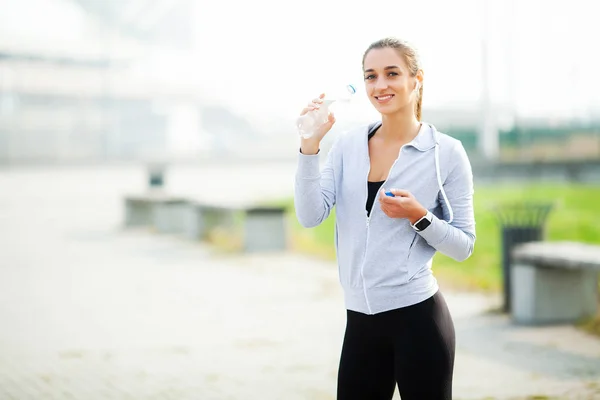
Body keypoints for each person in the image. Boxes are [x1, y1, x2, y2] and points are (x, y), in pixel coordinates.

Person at [293, 37, 476, 400]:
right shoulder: (347, 145)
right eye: (371, 76)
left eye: (392, 74)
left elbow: (464, 246)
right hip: (359, 321)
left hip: (419, 321)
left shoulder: (446, 153)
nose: (380, 85)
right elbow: (310, 215)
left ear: (415, 79)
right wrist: (309, 145)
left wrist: (419, 216)